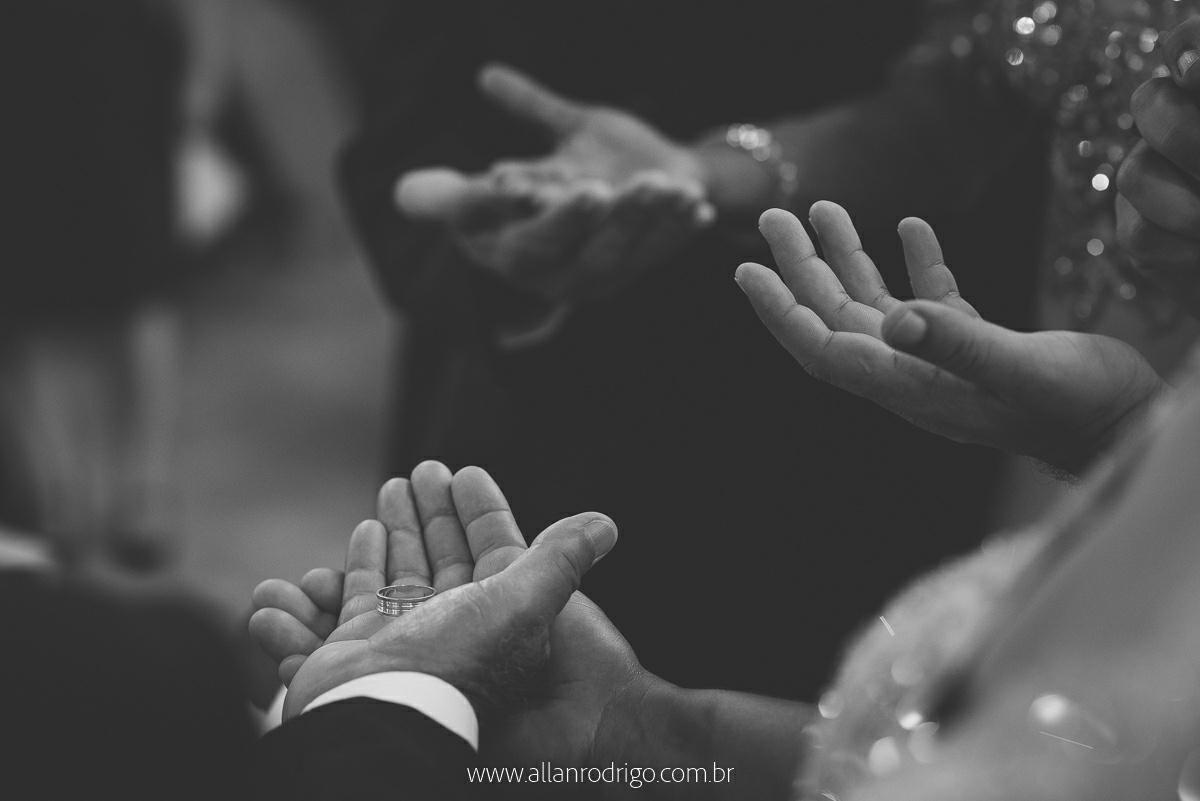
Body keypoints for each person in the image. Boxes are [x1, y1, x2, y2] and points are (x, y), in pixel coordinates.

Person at [340, 0, 1044, 700]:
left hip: (886, 408)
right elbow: (409, 132)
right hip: (564, 424)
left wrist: (717, 169)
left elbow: (979, 94)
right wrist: (503, 259)